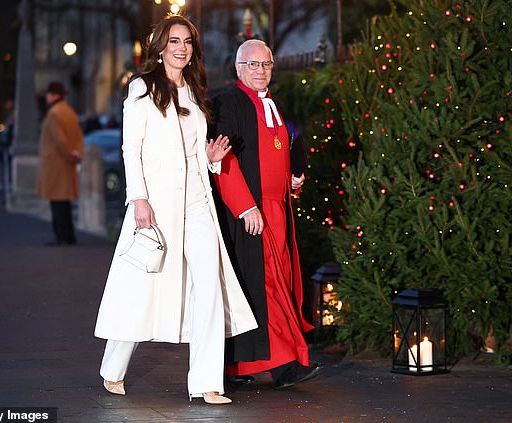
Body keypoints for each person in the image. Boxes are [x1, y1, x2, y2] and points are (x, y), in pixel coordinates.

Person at [93, 15, 257, 405]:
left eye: (187, 42)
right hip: (158, 204)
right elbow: (131, 149)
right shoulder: (142, 88)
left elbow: (192, 154)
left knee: (209, 285)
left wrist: (213, 159)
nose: (181, 48)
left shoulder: (196, 91)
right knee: (143, 284)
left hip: (198, 202)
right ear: (161, 48)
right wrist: (139, 199)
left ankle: (206, 382)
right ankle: (113, 367)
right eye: (174, 41)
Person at [209, 39, 321, 389]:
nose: (260, 71)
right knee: (265, 286)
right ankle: (285, 363)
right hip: (251, 215)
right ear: (239, 68)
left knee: (277, 285)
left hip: (278, 211)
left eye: (266, 64)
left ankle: (238, 368)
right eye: (253, 65)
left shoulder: (274, 103)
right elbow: (221, 158)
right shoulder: (229, 102)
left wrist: (295, 180)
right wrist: (245, 206)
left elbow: (280, 150)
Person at [35, 81, 84, 246]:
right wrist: (77, 154)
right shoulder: (69, 111)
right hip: (66, 163)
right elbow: (78, 137)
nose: (46, 96)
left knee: (57, 202)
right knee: (65, 202)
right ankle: (68, 235)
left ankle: (61, 235)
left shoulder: (54, 114)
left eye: (48, 94)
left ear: (55, 95)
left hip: (56, 163)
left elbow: (59, 141)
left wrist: (70, 155)